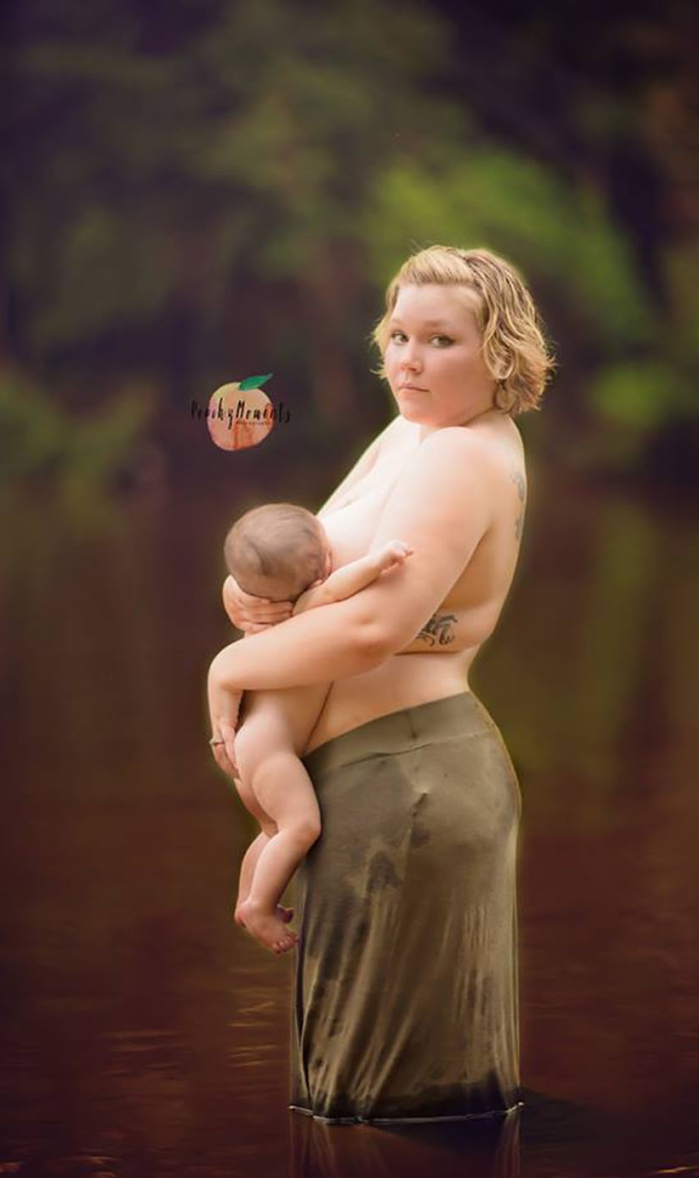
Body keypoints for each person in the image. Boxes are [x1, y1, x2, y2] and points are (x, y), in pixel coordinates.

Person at [207, 243, 555, 1123]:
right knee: (353, 1102)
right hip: (374, 782)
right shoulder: (415, 430)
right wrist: (247, 598)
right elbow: (315, 564)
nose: (408, 358)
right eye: (398, 334)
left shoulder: (460, 455)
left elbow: (372, 629)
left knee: (386, 1109)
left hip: (409, 784)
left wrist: (228, 666)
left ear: (499, 352)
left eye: (440, 339)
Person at [220, 501, 413, 953]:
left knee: (272, 831)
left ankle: (247, 894)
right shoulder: (307, 606)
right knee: (300, 827)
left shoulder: (262, 621)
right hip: (272, 752)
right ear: (325, 563)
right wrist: (380, 560)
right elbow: (343, 586)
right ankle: (259, 907)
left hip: (252, 751)